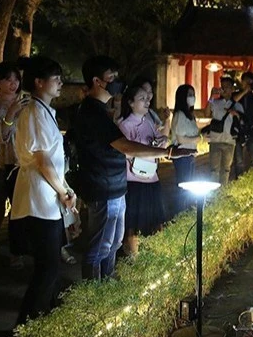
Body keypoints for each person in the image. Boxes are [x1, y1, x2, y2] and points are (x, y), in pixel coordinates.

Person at [74, 55, 195, 280]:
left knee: (113, 242)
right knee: (101, 244)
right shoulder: (92, 112)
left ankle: (107, 281)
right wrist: (167, 153)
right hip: (103, 186)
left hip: (115, 185)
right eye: (112, 77)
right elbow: (126, 147)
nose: (117, 82)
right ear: (97, 81)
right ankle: (92, 289)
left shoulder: (101, 110)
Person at [9, 56, 78, 324]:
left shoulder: (43, 111)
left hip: (45, 196)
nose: (61, 82)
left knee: (50, 265)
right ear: (39, 82)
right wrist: (63, 192)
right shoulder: (35, 112)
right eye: (55, 78)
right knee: (47, 266)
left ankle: (43, 319)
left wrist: (64, 189)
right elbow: (42, 160)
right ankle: (27, 326)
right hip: (39, 199)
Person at [0, 61, 30, 267]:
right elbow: (0, 136)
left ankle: (28, 246)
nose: (13, 83)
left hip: (30, 160)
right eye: (8, 79)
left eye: (16, 79)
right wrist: (11, 113)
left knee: (27, 207)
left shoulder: (27, 101)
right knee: (12, 205)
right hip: (10, 162)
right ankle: (14, 251)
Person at [118, 86, 168, 257]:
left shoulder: (148, 122)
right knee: (133, 224)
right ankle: (134, 259)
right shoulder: (125, 125)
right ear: (131, 103)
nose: (147, 101)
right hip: (134, 180)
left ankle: (157, 258)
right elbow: (126, 151)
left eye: (147, 98)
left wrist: (162, 140)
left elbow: (159, 141)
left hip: (152, 178)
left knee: (157, 220)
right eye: (142, 98)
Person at [203, 78, 243, 186]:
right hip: (215, 140)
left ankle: (222, 191)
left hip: (230, 140)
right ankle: (214, 191)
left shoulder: (237, 104)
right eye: (223, 87)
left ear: (232, 89)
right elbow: (206, 113)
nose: (224, 89)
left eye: (227, 87)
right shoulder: (215, 102)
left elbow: (242, 121)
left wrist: (236, 114)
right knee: (214, 170)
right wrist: (211, 96)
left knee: (226, 169)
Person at [231, 72, 253, 177]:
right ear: (242, 82)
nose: (248, 84)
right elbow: (233, 101)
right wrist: (245, 91)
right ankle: (239, 181)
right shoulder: (237, 94)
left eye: (250, 82)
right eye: (246, 82)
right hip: (238, 131)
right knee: (238, 160)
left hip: (252, 130)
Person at [170, 84, 201, 202]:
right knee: (184, 186)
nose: (193, 97)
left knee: (189, 186)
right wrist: (197, 139)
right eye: (189, 95)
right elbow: (180, 139)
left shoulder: (190, 115)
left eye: (193, 94)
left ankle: (187, 208)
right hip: (182, 155)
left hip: (190, 154)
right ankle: (181, 209)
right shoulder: (180, 114)